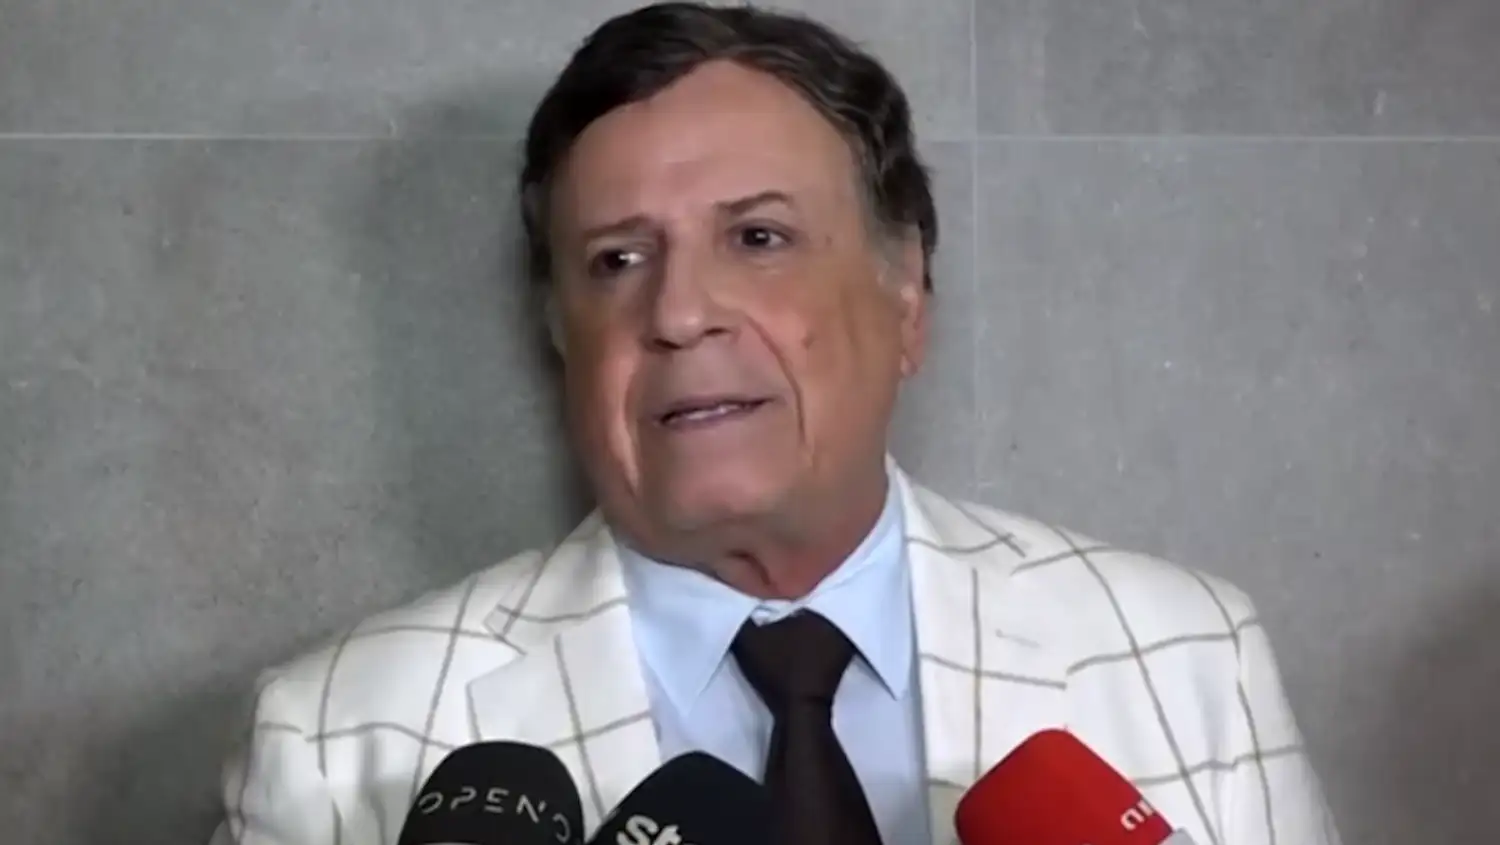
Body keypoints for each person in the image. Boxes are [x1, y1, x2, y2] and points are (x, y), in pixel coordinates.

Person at [210, 3, 1342, 844]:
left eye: (757, 238)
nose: (679, 312)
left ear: (906, 296)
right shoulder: (336, 738)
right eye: (617, 260)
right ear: (561, 334)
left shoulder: (1188, 653)